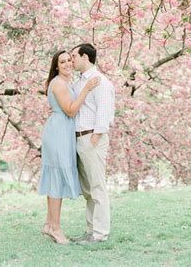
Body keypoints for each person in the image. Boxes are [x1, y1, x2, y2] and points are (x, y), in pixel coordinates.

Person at [38, 50, 100, 244]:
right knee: (56, 180)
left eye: (68, 60)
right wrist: (86, 89)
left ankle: (49, 224)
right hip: (58, 134)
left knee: (56, 179)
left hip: (62, 132)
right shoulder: (58, 84)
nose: (67, 64)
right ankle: (56, 228)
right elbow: (71, 111)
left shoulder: (63, 83)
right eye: (62, 62)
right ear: (56, 66)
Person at [70, 43, 115, 244]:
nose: (71, 61)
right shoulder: (80, 82)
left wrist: (95, 137)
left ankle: (100, 234)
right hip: (79, 138)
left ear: (85, 57)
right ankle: (91, 230)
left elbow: (104, 111)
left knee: (97, 187)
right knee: (87, 190)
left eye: (74, 56)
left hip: (91, 139)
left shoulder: (101, 81)